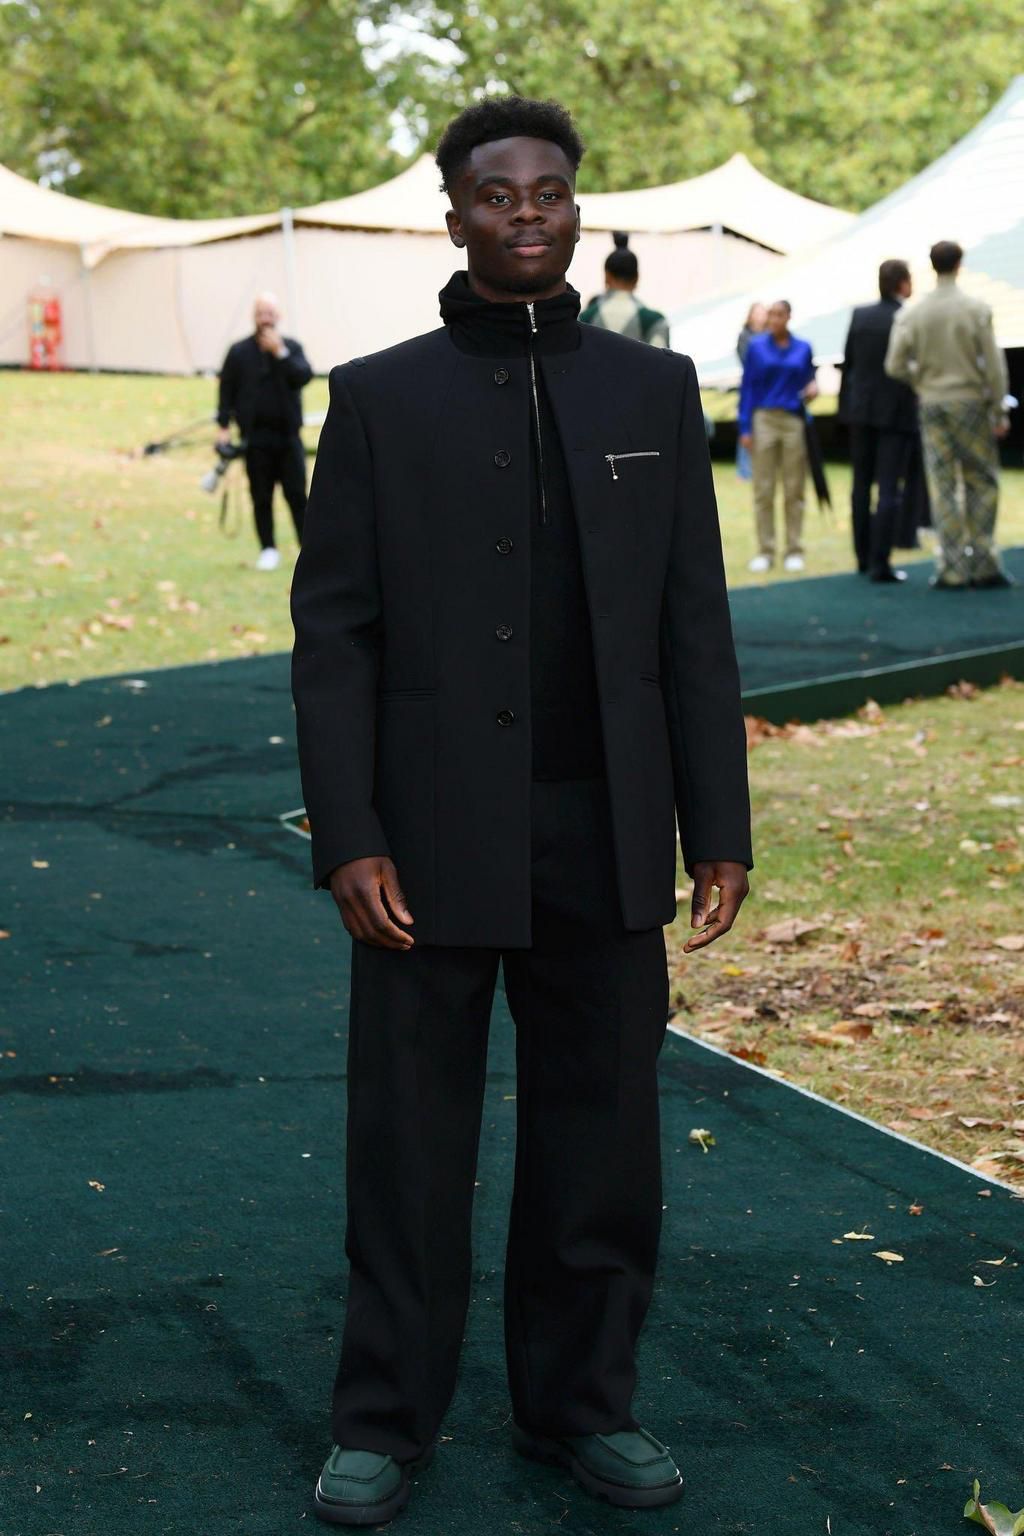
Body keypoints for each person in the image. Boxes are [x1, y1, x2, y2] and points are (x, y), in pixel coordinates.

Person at [290, 95, 752, 1527]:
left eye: (551, 191)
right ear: (456, 216)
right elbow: (338, 640)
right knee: (411, 1148)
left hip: (606, 831)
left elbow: (693, 624)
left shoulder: (650, 396)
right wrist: (351, 832)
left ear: (576, 210)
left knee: (600, 1144)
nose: (530, 213)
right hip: (424, 844)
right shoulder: (374, 398)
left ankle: (583, 1409)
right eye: (500, 195)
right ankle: (383, 1421)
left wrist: (716, 826)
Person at [885, 240, 1013, 589]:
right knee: (981, 479)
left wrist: (922, 380)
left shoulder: (913, 312)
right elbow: (995, 367)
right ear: (959, 264)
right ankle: (984, 560)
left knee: (941, 483)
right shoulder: (975, 308)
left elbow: (895, 364)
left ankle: (953, 566)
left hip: (931, 402)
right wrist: (999, 407)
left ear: (932, 265)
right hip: (969, 400)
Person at [217, 292, 313, 571]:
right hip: (255, 439)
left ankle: (307, 551)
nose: (265, 319)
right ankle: (268, 549)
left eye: (270, 313)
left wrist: (279, 353)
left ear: (278, 317)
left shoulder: (291, 348)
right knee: (261, 496)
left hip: (288, 437)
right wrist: (223, 427)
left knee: (298, 496)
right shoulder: (239, 352)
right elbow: (226, 391)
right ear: (254, 317)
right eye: (261, 313)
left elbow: (303, 376)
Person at [839, 260, 918, 582]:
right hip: (896, 412)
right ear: (902, 283)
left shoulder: (860, 315)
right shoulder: (907, 317)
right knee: (888, 488)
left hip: (862, 410)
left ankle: (861, 556)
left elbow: (850, 364)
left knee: (860, 485)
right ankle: (880, 562)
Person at [738, 300, 818, 573]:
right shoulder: (757, 347)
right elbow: (747, 386)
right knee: (764, 488)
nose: (773, 319)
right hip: (764, 418)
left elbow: (809, 377)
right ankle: (766, 550)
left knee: (794, 487)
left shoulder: (803, 347)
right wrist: (745, 427)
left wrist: (812, 388)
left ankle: (794, 548)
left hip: (793, 419)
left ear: (789, 317)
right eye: (770, 315)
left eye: (779, 315)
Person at [579, 231, 670, 344]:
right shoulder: (654, 321)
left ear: (607, 276)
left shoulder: (585, 318)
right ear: (636, 278)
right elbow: (660, 358)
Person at [735, 302, 768, 480]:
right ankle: (745, 471)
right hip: (750, 388)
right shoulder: (745, 336)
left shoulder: (771, 336)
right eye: (758, 312)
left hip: (767, 391)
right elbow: (747, 361)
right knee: (746, 427)